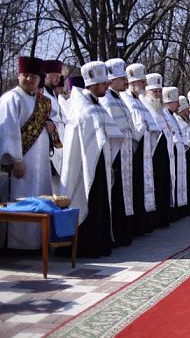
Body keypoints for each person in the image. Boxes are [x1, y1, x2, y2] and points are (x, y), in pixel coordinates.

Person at [61, 61, 123, 257]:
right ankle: (88, 246)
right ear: (93, 84)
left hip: (99, 162)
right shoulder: (83, 107)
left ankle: (100, 243)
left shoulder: (94, 104)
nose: (106, 86)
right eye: (104, 83)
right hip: (86, 164)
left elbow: (110, 131)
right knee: (89, 201)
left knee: (100, 203)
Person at [0, 57, 53, 249]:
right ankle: (18, 245)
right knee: (20, 200)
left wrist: (51, 126)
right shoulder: (11, 98)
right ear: (18, 75)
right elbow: (8, 130)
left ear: (39, 78)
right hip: (22, 162)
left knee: (39, 199)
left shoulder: (42, 101)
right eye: (25, 75)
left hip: (40, 162)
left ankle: (38, 243)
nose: (29, 79)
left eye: (32, 76)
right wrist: (16, 159)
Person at [100, 59, 136, 246]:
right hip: (115, 157)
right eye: (122, 78)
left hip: (125, 155)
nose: (125, 82)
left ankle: (124, 233)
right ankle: (117, 233)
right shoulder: (107, 99)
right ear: (112, 80)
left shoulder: (119, 98)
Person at [121, 64, 159, 233]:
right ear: (132, 82)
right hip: (133, 150)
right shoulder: (125, 99)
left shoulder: (141, 101)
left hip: (144, 149)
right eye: (142, 81)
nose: (144, 84)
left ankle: (142, 223)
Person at [140, 73, 174, 228]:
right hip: (152, 154)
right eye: (155, 92)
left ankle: (163, 216)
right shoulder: (144, 105)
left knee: (163, 184)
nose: (158, 95)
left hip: (164, 152)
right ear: (147, 92)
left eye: (160, 91)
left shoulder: (162, 110)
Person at [162, 87, 189, 218]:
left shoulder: (173, 116)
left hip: (179, 152)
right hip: (171, 153)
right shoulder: (164, 115)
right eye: (176, 102)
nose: (178, 105)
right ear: (169, 102)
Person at [42, 59, 66, 193]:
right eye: (55, 74)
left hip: (60, 149)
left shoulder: (53, 96)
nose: (58, 78)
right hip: (49, 152)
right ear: (46, 75)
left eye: (59, 75)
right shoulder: (42, 95)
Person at [176, 96, 190, 213]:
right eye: (186, 111)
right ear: (181, 111)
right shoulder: (178, 121)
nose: (188, 112)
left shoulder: (187, 121)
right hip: (185, 154)